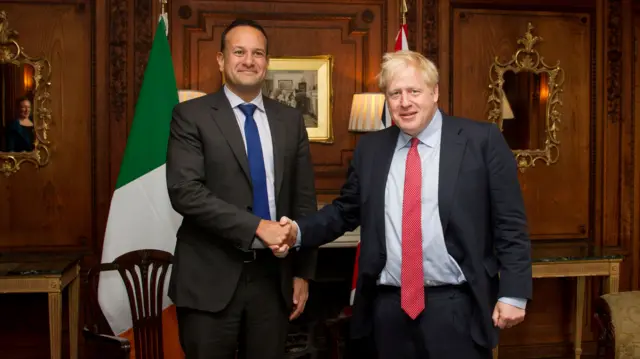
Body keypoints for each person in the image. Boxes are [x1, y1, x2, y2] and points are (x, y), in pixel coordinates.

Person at [279, 50, 532, 358]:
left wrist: (515, 293)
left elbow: (510, 224)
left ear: (435, 92)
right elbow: (345, 211)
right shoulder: (371, 149)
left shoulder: (481, 141)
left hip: (457, 307)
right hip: (387, 310)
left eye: (414, 91)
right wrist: (296, 231)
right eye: (395, 93)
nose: (405, 102)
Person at [166, 18, 318, 359]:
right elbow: (185, 191)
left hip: (273, 281)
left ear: (266, 63)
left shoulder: (290, 120)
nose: (248, 60)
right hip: (209, 279)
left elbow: (304, 200)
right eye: (239, 51)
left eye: (257, 53)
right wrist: (257, 228)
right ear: (221, 60)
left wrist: (303, 273)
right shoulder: (191, 116)